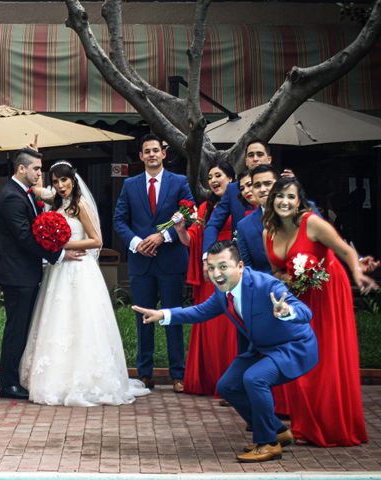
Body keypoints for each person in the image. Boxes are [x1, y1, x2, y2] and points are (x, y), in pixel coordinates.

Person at [133, 240, 317, 463]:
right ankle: (277, 431)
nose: (216, 273)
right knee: (227, 386)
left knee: (254, 378)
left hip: (293, 346)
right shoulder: (223, 292)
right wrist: (163, 315)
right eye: (211, 268)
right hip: (263, 349)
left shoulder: (265, 285)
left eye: (223, 266)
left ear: (240, 266)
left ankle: (268, 443)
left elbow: (304, 311)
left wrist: (287, 310)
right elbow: (200, 312)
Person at [0, 161, 150, 405]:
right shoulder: (56, 203)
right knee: (54, 319)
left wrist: (62, 245)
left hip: (79, 268)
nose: (60, 185)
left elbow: (96, 240)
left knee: (81, 320)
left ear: (73, 180)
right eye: (55, 181)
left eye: (64, 180)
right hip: (58, 269)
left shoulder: (80, 204)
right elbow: (37, 188)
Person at [263, 177, 378, 447]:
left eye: (291, 197)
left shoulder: (312, 223)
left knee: (325, 359)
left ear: (299, 202)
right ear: (272, 200)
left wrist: (358, 272)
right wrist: (284, 279)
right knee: (301, 360)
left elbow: (344, 250)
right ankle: (306, 425)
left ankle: (333, 427)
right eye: (280, 196)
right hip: (298, 298)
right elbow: (276, 270)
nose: (285, 201)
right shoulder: (267, 231)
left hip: (327, 294)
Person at [0, 148, 85, 400]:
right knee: (16, 329)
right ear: (22, 169)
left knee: (21, 328)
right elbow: (24, 237)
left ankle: (14, 379)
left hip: (25, 272)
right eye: (36, 169)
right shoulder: (12, 197)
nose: (39, 174)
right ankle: (9, 384)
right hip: (16, 274)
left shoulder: (24, 193)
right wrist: (60, 254)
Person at [113, 133, 195, 392]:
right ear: (140, 156)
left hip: (171, 260)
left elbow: (190, 214)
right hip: (141, 262)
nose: (151, 154)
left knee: (173, 317)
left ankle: (178, 374)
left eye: (155, 150)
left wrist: (163, 236)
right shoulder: (130, 185)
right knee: (143, 319)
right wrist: (137, 243)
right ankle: (145, 373)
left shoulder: (179, 182)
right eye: (146, 151)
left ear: (163, 153)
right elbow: (119, 220)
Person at [183, 161, 238, 396]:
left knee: (232, 327)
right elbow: (192, 239)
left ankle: (232, 381)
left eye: (219, 175)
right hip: (212, 272)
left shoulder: (241, 202)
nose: (214, 180)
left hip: (235, 268)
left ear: (231, 178)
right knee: (211, 325)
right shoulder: (205, 207)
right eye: (210, 177)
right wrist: (178, 229)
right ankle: (210, 379)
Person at [203, 141, 276, 254]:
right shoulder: (233, 189)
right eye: (251, 155)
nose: (255, 159)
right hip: (242, 258)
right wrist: (208, 256)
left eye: (260, 154)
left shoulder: (281, 185)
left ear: (269, 159)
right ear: (246, 161)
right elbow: (213, 225)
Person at [236, 165, 280, 273]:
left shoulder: (299, 213)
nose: (262, 189)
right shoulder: (244, 226)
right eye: (257, 185)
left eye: (268, 184)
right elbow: (248, 271)